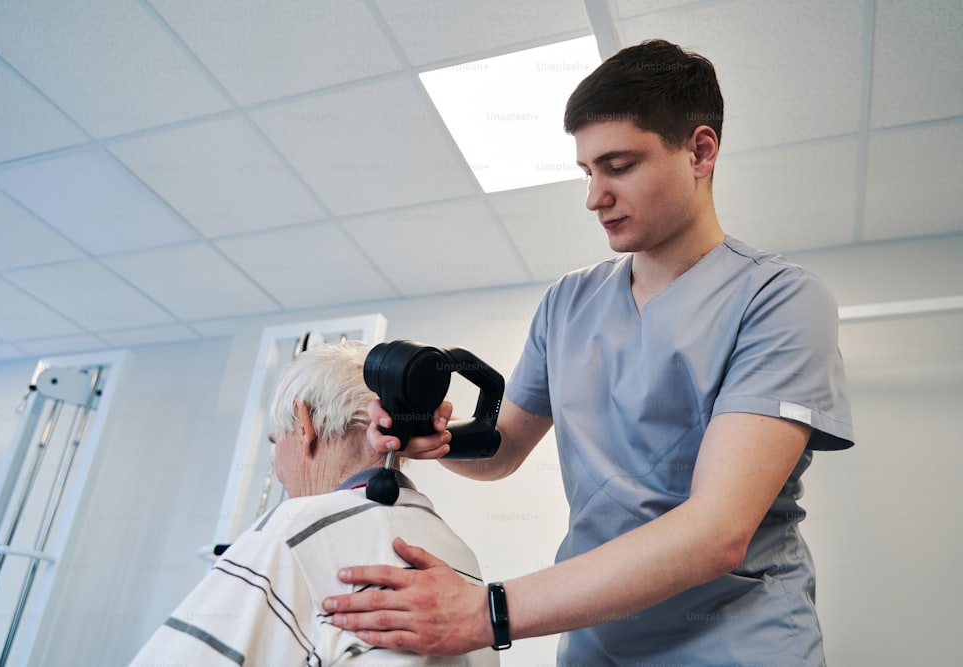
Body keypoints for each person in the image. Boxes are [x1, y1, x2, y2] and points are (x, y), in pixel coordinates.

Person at [321, 39, 855, 666]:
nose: (594, 196)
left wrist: (485, 611)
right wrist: (437, 440)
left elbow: (717, 533)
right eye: (587, 172)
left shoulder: (778, 299)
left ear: (700, 152)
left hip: (736, 642)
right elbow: (502, 449)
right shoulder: (568, 302)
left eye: (619, 165)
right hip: (595, 640)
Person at [130, 341, 498, 666]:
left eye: (276, 442)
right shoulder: (461, 559)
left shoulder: (291, 531)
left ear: (305, 424)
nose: (278, 471)